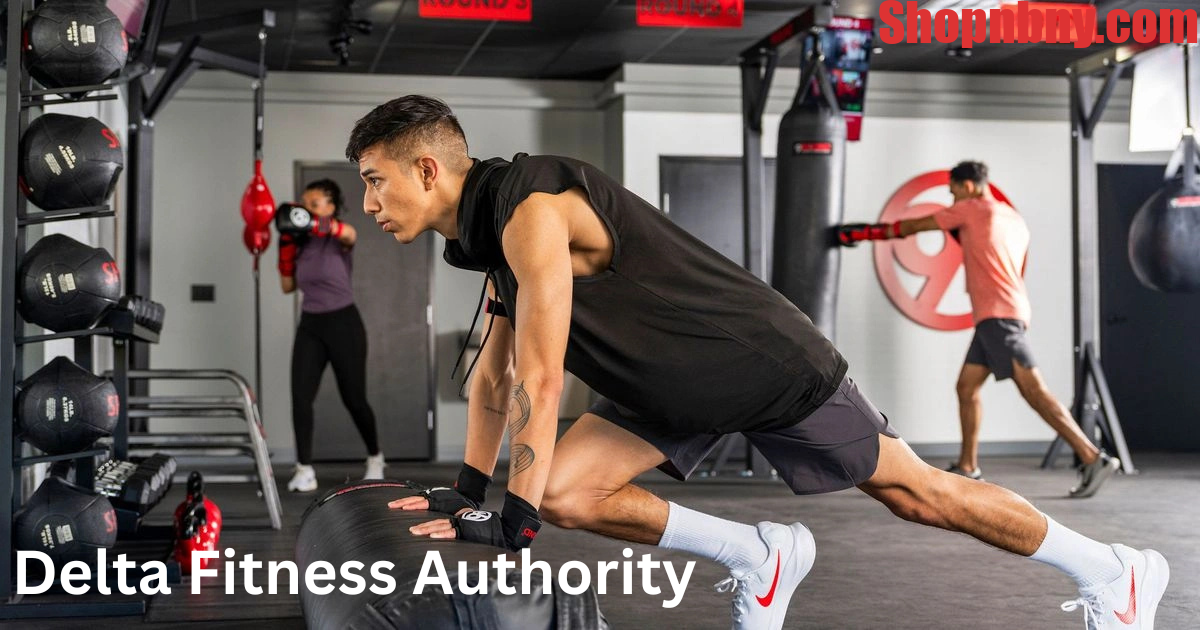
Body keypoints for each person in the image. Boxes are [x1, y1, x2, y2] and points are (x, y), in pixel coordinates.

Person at [348, 96, 1168, 629]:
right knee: (567, 490)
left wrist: (510, 521)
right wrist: (465, 495)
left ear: (427, 168)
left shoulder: (531, 209)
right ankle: (761, 555)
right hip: (667, 382)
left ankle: (1114, 572)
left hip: (756, 359)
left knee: (918, 495)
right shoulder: (489, 236)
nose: (371, 205)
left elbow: (538, 376)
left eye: (376, 182)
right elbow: (491, 375)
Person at [835, 161, 1121, 497]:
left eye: (953, 189)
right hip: (1003, 312)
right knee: (966, 387)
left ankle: (1092, 456)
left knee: (1034, 390)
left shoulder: (971, 209)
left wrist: (864, 233)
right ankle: (968, 466)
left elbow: (916, 225)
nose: (951, 197)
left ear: (968, 186)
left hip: (998, 316)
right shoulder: (1014, 219)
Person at [277, 178, 384, 492]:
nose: (304, 209)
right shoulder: (299, 243)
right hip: (310, 324)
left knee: (354, 398)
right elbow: (286, 287)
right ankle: (304, 469)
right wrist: (285, 247)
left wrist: (310, 222)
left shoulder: (339, 236)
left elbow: (350, 233)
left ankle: (376, 458)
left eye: (313, 204)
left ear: (330, 207)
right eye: (303, 204)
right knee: (300, 397)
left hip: (343, 323)